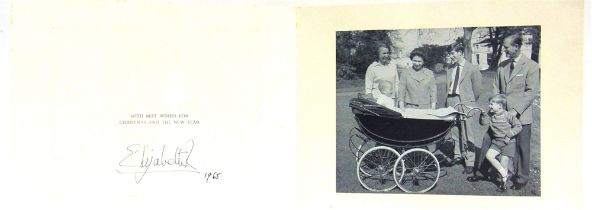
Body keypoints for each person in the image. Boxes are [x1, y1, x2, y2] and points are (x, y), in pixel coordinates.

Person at [472, 34, 540, 190]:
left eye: (507, 47)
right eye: (504, 46)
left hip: (521, 115)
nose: (504, 49)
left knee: (522, 148)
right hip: (500, 114)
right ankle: (482, 171)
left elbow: (531, 92)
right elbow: (496, 87)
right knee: (488, 139)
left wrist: (515, 111)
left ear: (516, 47)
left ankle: (521, 179)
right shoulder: (502, 66)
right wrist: (496, 106)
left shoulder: (531, 66)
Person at [442, 43, 482, 175]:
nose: (451, 56)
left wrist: (469, 102)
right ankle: (457, 155)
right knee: (454, 130)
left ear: (460, 52)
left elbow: (477, 90)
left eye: (453, 53)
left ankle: (470, 161)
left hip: (465, 102)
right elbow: (448, 86)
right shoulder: (450, 68)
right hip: (451, 100)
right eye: (450, 54)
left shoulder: (472, 68)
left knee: (467, 133)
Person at [479, 94, 522, 192]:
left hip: (508, 143)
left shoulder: (508, 115)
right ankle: (504, 173)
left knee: (504, 164)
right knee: (489, 155)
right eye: (489, 104)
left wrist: (509, 134)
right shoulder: (491, 115)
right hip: (497, 142)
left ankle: (503, 184)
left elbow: (518, 126)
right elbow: (484, 123)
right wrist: (483, 115)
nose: (489, 106)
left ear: (500, 106)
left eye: (492, 104)